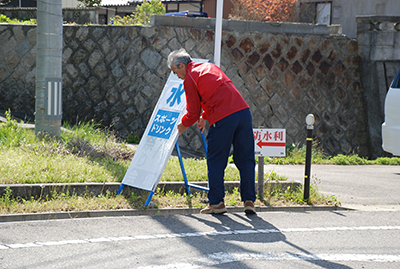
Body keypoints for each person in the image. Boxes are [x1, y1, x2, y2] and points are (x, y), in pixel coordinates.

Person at [167, 48, 256, 214]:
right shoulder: (210, 68)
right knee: (246, 158)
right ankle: (249, 200)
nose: (176, 76)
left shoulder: (189, 78)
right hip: (243, 113)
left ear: (181, 65)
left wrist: (183, 125)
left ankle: (217, 203)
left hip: (223, 118)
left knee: (216, 160)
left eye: (175, 71)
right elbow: (219, 92)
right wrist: (205, 116)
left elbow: (192, 112)